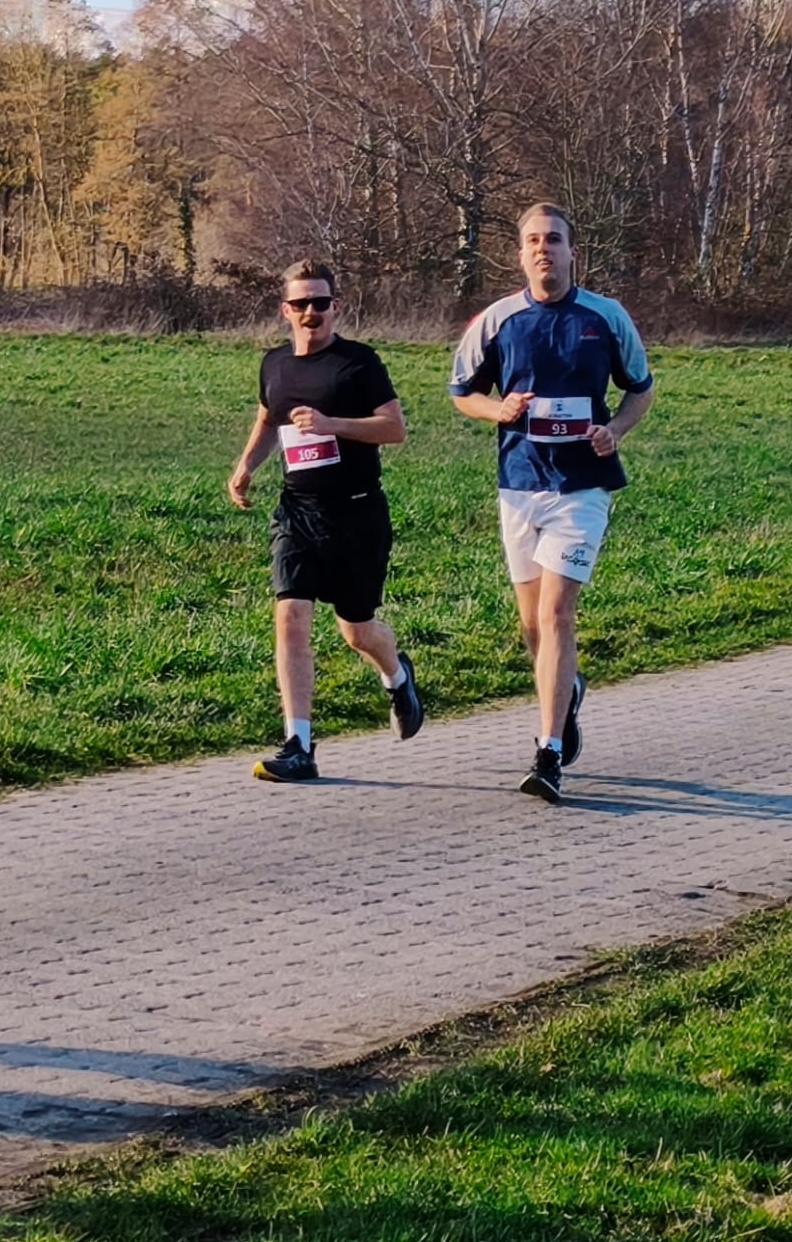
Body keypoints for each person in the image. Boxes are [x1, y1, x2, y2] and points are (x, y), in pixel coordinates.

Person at [450, 203, 654, 802]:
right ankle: (567, 693)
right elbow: (463, 393)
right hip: (518, 485)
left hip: (582, 489)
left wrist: (614, 430)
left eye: (555, 240)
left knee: (558, 614)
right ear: (520, 253)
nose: (544, 250)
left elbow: (640, 391)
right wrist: (500, 409)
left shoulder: (605, 317)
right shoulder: (497, 320)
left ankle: (548, 754)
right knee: (532, 626)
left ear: (572, 251)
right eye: (533, 241)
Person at [229, 259, 424, 783]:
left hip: (358, 512)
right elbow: (269, 418)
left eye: (320, 302)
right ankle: (300, 744)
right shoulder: (274, 365)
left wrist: (331, 424)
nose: (311, 312)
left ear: (336, 306)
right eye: (301, 304)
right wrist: (247, 465)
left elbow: (395, 429)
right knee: (290, 616)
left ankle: (397, 675)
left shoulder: (358, 363)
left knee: (357, 630)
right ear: (284, 310)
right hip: (298, 511)